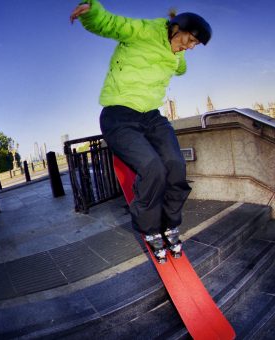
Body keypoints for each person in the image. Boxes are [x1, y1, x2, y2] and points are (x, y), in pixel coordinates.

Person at [70, 0, 212, 263]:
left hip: (151, 117)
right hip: (118, 115)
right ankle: (149, 229)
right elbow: (113, 24)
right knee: (153, 169)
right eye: (189, 40)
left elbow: (180, 67)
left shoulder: (177, 56)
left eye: (194, 45)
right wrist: (93, 13)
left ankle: (170, 224)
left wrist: (180, 58)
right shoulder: (145, 31)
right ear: (175, 28)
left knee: (175, 165)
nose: (189, 47)